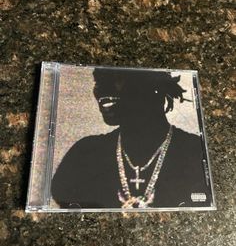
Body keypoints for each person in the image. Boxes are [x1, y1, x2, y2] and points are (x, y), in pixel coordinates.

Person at [51, 68, 212, 209]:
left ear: (154, 89)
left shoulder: (195, 151)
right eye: (99, 81)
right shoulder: (85, 155)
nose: (101, 89)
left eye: (117, 80)